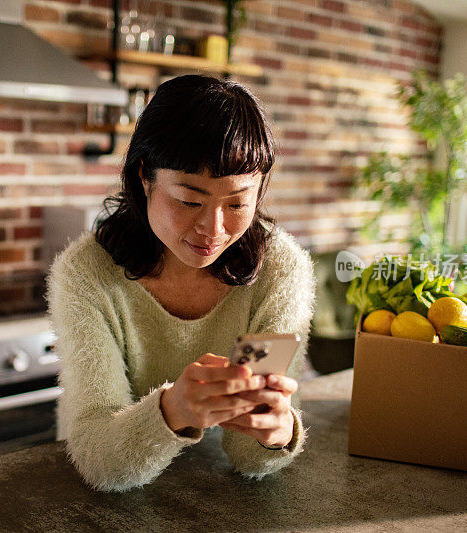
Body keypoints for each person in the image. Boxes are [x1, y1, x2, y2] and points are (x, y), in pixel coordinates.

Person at [47, 74, 315, 492]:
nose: (214, 228)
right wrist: (172, 411)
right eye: (190, 201)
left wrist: (276, 430)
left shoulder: (279, 271)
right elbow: (98, 458)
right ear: (144, 177)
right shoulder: (88, 274)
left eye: (237, 203)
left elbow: (250, 455)